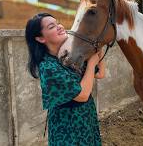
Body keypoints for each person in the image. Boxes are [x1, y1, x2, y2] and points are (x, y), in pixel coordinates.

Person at [25, 13, 104, 146]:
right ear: (40, 38)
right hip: (67, 129)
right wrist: (91, 63)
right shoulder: (48, 67)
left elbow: (100, 73)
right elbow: (83, 95)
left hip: (86, 120)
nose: (60, 27)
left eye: (58, 23)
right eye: (52, 26)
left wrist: (98, 44)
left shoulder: (70, 57)